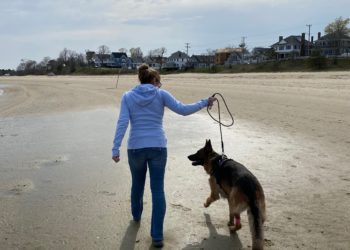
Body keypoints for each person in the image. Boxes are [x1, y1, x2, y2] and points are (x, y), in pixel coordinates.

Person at [112, 64, 216, 248]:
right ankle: (157, 236)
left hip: (135, 147)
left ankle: (136, 216)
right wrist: (204, 102)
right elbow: (183, 110)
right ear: (153, 80)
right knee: (157, 190)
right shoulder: (161, 94)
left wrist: (115, 148)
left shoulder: (127, 96)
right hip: (158, 147)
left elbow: (122, 122)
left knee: (137, 184)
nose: (160, 84)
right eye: (159, 81)